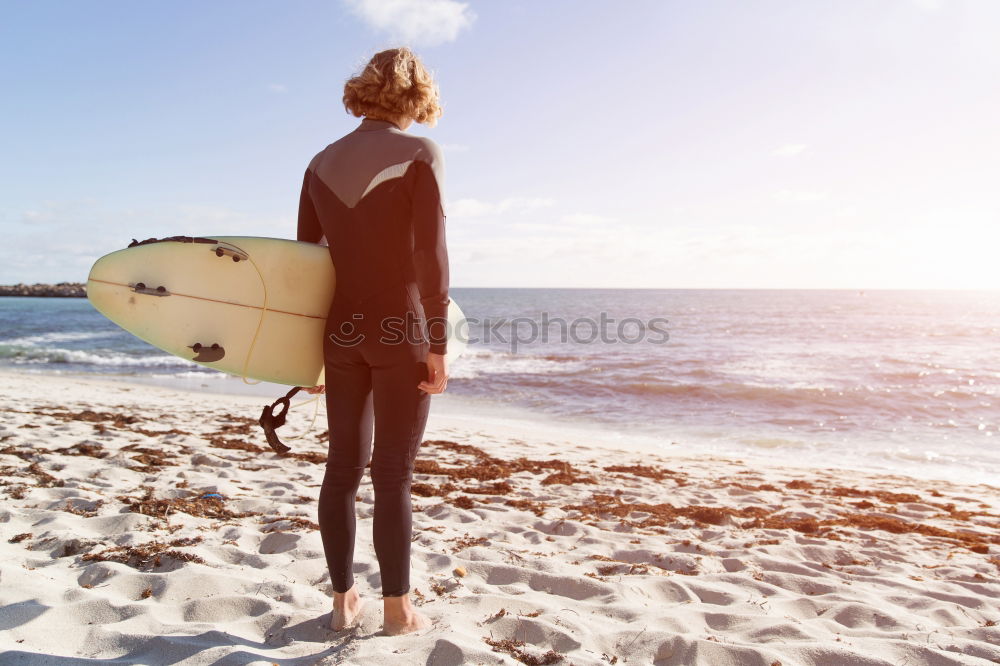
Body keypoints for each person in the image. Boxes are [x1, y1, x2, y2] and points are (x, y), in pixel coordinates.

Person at [295, 46, 450, 636]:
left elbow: (307, 265)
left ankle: (340, 603)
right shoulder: (419, 153)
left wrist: (307, 352)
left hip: (341, 331)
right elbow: (429, 256)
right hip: (400, 329)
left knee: (341, 469)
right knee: (392, 474)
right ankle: (397, 610)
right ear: (415, 96)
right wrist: (436, 340)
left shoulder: (318, 162)